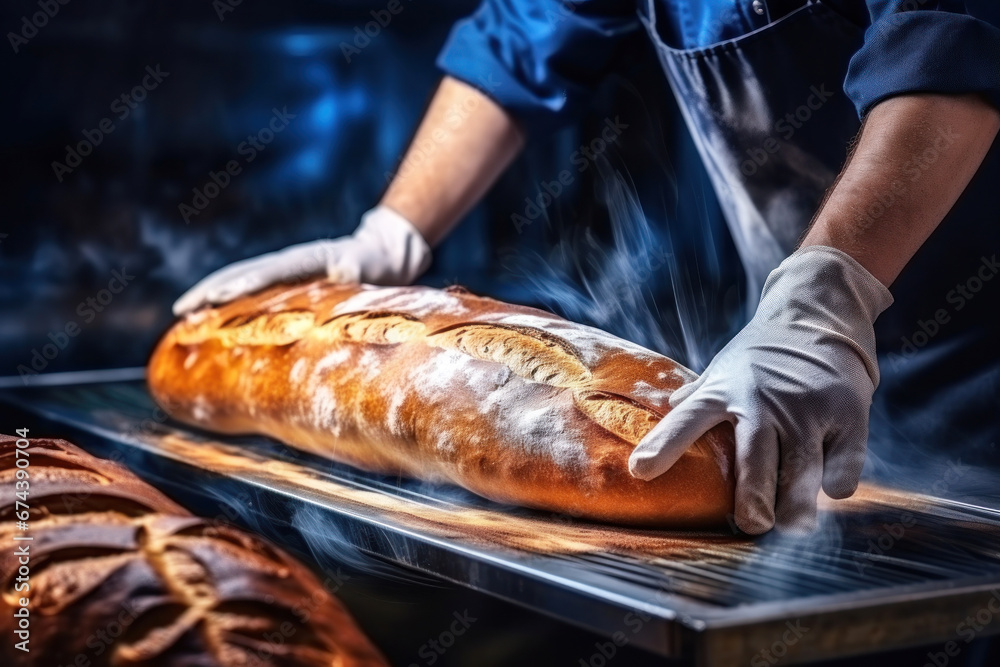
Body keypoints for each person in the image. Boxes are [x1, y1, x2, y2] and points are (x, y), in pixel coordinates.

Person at [173, 0, 1000, 534]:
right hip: (778, 376)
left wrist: (829, 295)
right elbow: (523, 36)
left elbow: (946, 51)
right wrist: (388, 234)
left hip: (976, 379)